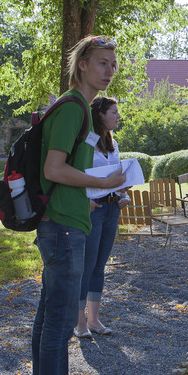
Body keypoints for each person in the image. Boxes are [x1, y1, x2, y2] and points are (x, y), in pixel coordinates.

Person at [32, 36, 127, 375]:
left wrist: (88, 193)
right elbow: (53, 169)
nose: (109, 70)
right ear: (83, 65)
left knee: (49, 314)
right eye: (102, 63)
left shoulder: (81, 111)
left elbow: (62, 171)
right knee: (58, 319)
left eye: (113, 64)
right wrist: (100, 185)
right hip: (63, 228)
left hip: (67, 222)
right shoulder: (73, 108)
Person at [74, 96, 126, 339]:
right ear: (100, 114)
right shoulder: (87, 140)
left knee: (99, 265)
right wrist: (86, 201)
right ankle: (80, 322)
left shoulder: (111, 142)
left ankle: (94, 319)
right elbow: (77, 171)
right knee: (87, 265)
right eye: (113, 112)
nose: (117, 116)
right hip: (93, 210)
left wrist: (121, 194)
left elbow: (114, 174)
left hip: (112, 208)